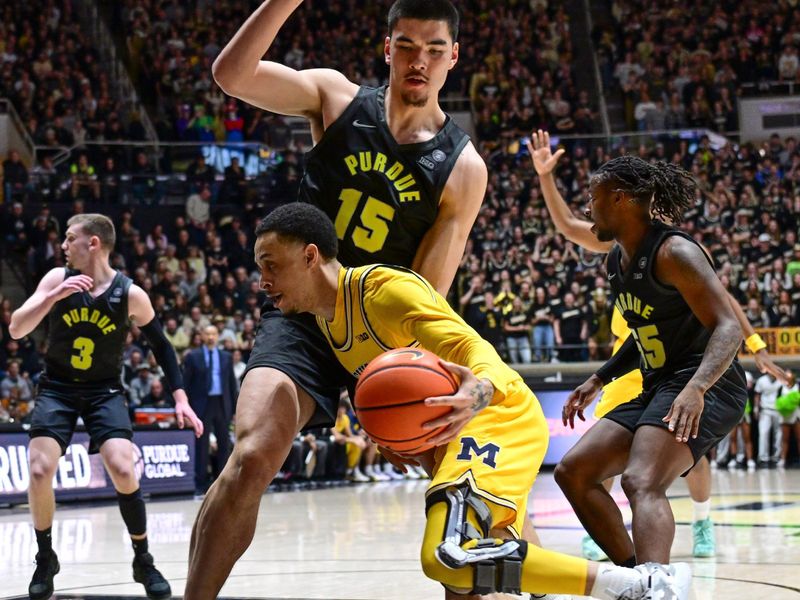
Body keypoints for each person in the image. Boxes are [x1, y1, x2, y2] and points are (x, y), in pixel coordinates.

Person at [187, 1, 490, 597]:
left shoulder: (462, 166)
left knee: (458, 485)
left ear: (453, 57)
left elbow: (426, 295)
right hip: (303, 313)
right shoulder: (336, 98)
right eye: (406, 45)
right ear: (387, 48)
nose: (419, 61)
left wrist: (392, 391)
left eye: (434, 49)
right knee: (253, 452)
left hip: (380, 332)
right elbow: (231, 76)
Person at [249, 202, 692, 599]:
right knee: (466, 583)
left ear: (310, 256)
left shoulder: (382, 290)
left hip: (497, 414)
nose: (263, 281)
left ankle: (639, 586)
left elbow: (475, 351)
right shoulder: (329, 322)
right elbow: (394, 390)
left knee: (449, 554)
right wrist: (387, 432)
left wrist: (474, 394)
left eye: (270, 265)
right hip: (462, 443)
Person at [528, 130, 789, 561]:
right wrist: (599, 377)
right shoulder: (616, 259)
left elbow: (727, 326)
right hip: (657, 382)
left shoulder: (674, 251)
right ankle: (637, 576)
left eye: (593, 198)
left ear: (622, 200)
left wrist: (697, 387)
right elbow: (642, 334)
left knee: (642, 480)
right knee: (574, 472)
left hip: (708, 383)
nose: (588, 208)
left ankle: (658, 580)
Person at [8, 214, 203, 600]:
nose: (63, 245)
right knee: (39, 467)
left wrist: (180, 397)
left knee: (122, 467)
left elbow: (162, 346)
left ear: (92, 242)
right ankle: (45, 558)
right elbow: (16, 328)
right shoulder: (56, 279)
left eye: (69, 238)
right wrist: (51, 299)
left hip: (104, 391)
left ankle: (142, 559)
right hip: (58, 388)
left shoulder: (129, 293)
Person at [182, 324, 238, 496]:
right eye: (208, 334)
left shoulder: (226, 357)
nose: (211, 337)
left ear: (218, 335)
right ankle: (200, 483)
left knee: (224, 444)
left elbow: (231, 384)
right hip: (201, 405)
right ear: (202, 336)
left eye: (214, 334)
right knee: (202, 444)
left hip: (222, 403)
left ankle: (223, 481)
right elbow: (186, 384)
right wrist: (187, 410)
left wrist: (235, 409)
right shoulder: (193, 357)